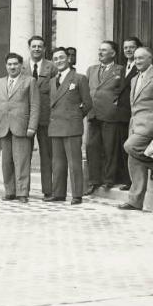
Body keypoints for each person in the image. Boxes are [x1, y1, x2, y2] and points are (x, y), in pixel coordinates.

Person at [118, 47, 153, 211]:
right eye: (135, 58)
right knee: (134, 161)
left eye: (141, 58)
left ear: (150, 59)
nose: (137, 61)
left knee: (129, 146)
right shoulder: (134, 79)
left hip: (151, 125)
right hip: (135, 125)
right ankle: (135, 201)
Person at [45, 47, 93, 205]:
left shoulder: (79, 78)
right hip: (55, 126)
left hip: (72, 126)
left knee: (74, 162)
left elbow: (87, 104)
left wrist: (75, 116)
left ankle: (77, 195)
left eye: (61, 57)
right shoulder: (52, 81)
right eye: (55, 58)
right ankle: (59, 193)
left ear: (68, 59)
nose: (58, 61)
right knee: (57, 163)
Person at [0, 52, 40, 203]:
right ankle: (10, 191)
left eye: (15, 64)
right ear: (6, 66)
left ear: (21, 66)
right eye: (10, 64)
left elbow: (35, 106)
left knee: (22, 161)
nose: (12, 67)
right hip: (3, 127)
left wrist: (32, 126)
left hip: (22, 127)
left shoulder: (29, 81)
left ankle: (22, 192)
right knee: (6, 162)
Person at [85, 41, 127, 195]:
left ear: (113, 53)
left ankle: (109, 180)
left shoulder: (120, 70)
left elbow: (123, 91)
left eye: (104, 50)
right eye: (99, 50)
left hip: (110, 114)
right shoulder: (91, 69)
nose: (100, 53)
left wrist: (116, 105)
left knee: (110, 148)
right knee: (92, 147)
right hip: (93, 113)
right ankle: (94, 181)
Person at [22, 35, 58, 198]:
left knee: (47, 154)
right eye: (33, 46)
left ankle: (48, 190)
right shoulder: (20, 66)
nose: (36, 49)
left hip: (45, 116)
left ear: (44, 49)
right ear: (29, 48)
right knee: (23, 154)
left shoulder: (52, 67)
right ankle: (22, 189)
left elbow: (58, 91)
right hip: (24, 117)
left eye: (40, 46)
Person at [117, 36, 143, 191]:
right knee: (122, 147)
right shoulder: (122, 68)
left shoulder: (140, 67)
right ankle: (124, 178)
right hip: (120, 114)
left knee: (131, 147)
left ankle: (131, 181)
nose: (128, 50)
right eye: (125, 47)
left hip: (133, 113)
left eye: (131, 47)